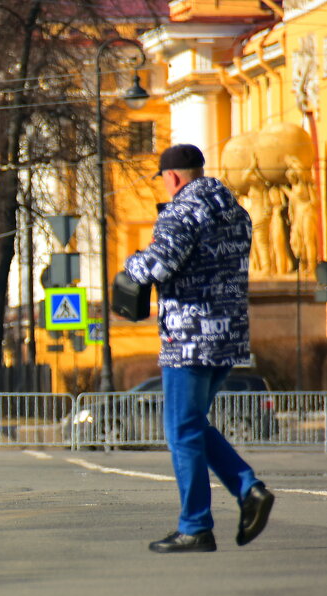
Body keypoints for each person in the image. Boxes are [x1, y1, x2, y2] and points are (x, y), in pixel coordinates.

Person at [123, 143, 274, 553]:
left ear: (172, 177)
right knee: (194, 423)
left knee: (181, 429)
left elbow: (158, 264)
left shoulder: (181, 210)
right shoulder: (234, 211)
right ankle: (248, 490)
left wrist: (131, 264)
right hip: (227, 336)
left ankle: (196, 525)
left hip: (188, 338)